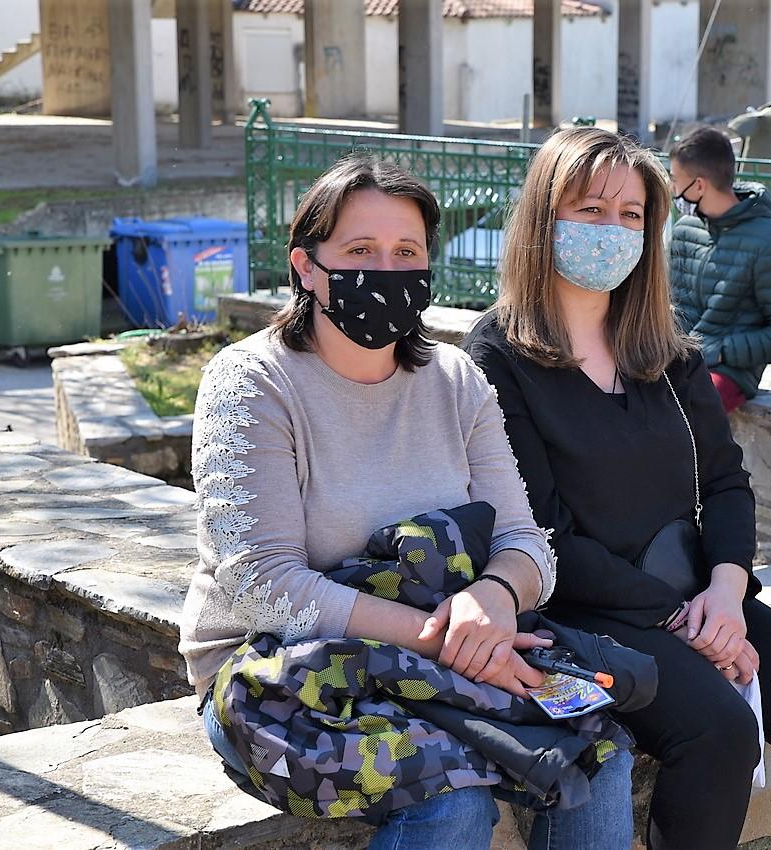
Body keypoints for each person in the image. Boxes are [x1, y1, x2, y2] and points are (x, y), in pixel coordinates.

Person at [178, 155, 635, 850]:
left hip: (444, 655)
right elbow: (263, 585)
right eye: (360, 251)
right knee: (450, 801)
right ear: (306, 267)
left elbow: (525, 541)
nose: (385, 270)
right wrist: (452, 641)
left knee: (597, 756)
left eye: (406, 253)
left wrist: (493, 598)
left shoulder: (456, 379)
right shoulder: (252, 383)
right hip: (282, 669)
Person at [462, 127, 771, 850]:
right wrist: (682, 620)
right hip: (586, 608)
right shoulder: (497, 356)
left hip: (698, 597)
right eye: (591, 210)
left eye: (631, 215)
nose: (612, 230)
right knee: (718, 733)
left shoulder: (667, 351)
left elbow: (725, 482)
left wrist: (725, 592)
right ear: (543, 218)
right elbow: (543, 529)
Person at [668, 126, 771, 411]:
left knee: (683, 408)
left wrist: (720, 351)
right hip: (675, 360)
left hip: (726, 372)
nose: (672, 190)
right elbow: (674, 305)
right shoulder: (685, 230)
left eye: (674, 180)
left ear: (699, 186)